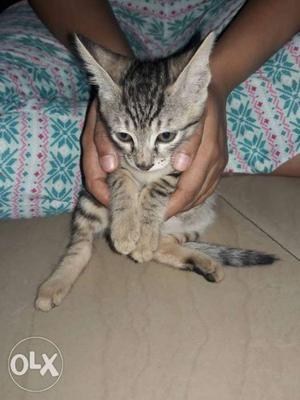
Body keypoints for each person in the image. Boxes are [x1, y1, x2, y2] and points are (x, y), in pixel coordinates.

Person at [1, 0, 299, 219]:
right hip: (87, 19)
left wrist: (216, 82)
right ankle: (212, 154)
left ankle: (203, 150)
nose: (143, 163)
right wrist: (120, 91)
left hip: (236, 18)